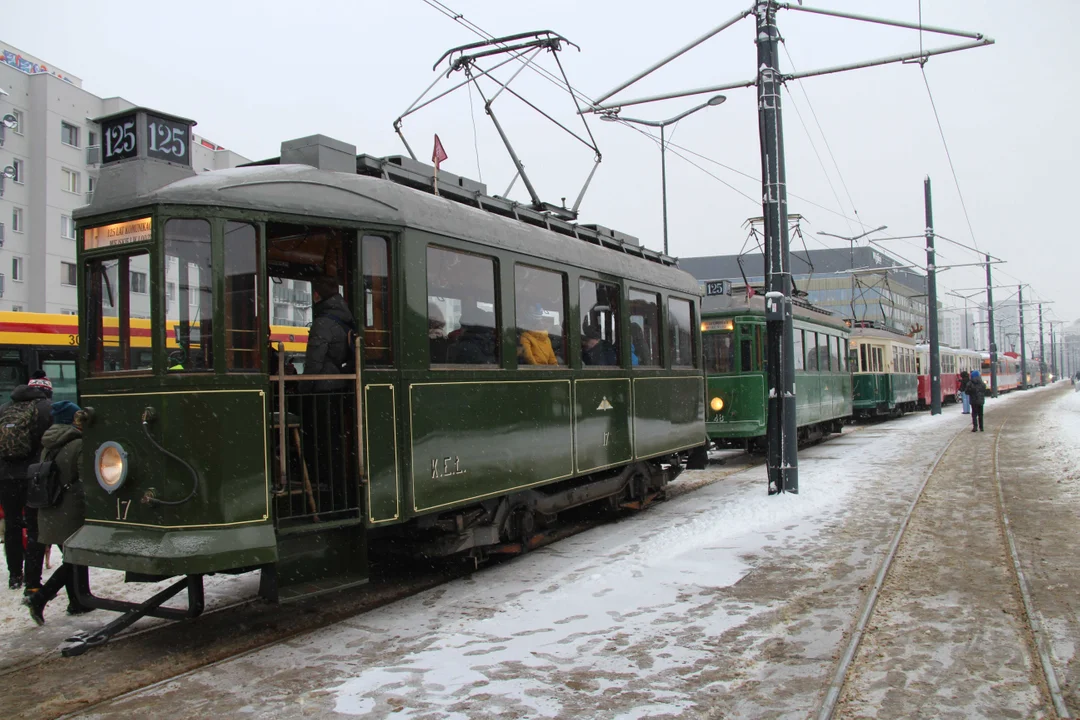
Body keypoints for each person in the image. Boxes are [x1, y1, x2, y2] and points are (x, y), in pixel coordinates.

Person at [24, 401, 92, 624]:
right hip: (72, 509)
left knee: (72, 557)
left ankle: (78, 602)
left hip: (52, 507)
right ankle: (41, 598)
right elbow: (86, 480)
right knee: (76, 558)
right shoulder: (78, 444)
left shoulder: (49, 444)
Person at [0, 383, 53, 591]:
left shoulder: (4, 409)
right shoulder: (46, 408)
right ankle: (33, 579)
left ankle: (15, 575)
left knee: (12, 526)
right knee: (35, 528)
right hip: (33, 475)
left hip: (5, 477)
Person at [303, 277, 354, 391]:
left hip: (323, 386)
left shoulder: (322, 324)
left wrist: (302, 388)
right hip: (339, 383)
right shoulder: (344, 316)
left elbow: (314, 362)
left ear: (316, 295)